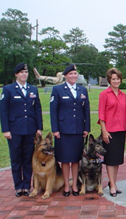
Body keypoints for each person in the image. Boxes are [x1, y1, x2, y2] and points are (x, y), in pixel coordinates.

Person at [0, 63, 43, 197]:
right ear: (16, 74)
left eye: (26, 72)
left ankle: (26, 185)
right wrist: (6, 130)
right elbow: (3, 111)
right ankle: (18, 186)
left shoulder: (33, 89)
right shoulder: (8, 89)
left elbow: (37, 109)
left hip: (30, 129)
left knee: (28, 158)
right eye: (21, 72)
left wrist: (39, 128)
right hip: (15, 130)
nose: (24, 74)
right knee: (16, 159)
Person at [50, 64, 90, 196]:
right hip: (63, 130)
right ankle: (66, 185)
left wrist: (86, 128)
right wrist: (55, 129)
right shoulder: (58, 89)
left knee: (75, 159)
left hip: (78, 129)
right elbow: (53, 111)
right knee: (65, 159)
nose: (73, 76)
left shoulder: (82, 90)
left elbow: (86, 110)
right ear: (65, 76)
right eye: (70, 74)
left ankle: (74, 186)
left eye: (75, 73)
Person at [98, 68, 126, 197]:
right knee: (110, 160)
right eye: (113, 79)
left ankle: (114, 183)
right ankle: (111, 185)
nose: (116, 81)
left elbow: (125, 113)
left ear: (120, 80)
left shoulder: (123, 95)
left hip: (121, 130)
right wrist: (104, 131)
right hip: (110, 131)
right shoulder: (104, 94)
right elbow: (101, 114)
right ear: (109, 80)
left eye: (118, 79)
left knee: (117, 160)